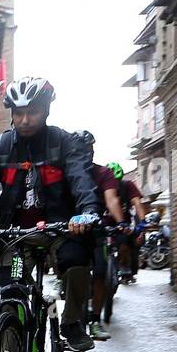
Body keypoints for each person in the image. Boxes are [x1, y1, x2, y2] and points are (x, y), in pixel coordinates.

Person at [0, 77, 103, 352]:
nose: (25, 119)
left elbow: (81, 180)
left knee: (77, 262)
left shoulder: (64, 143)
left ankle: (71, 322)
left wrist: (87, 212)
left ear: (46, 111)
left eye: (32, 112)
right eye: (19, 113)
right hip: (15, 236)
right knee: (9, 293)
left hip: (59, 231)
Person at [74, 130, 124, 340]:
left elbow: (111, 200)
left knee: (101, 272)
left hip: (96, 230)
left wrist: (121, 223)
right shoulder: (65, 171)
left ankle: (95, 319)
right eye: (83, 149)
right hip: (69, 231)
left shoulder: (104, 173)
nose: (87, 153)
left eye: (90, 148)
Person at [107, 162, 147, 281]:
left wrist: (143, 222)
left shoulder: (128, 185)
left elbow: (137, 203)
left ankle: (125, 266)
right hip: (103, 223)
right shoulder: (99, 186)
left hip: (123, 224)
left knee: (127, 241)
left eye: (117, 183)